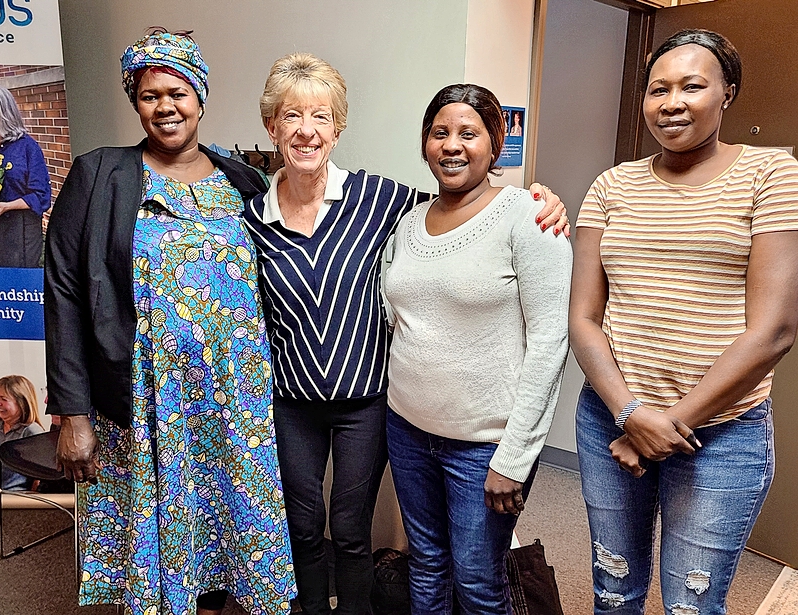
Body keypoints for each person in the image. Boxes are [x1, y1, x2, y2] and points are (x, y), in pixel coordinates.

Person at [243, 53, 569, 615]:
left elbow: (545, 332)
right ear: (271, 126)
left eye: (320, 116)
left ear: (338, 128)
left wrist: (542, 197)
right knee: (360, 546)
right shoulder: (253, 214)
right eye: (290, 116)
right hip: (336, 408)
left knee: (439, 564)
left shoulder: (383, 200)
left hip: (389, 408)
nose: (305, 130)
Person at [44, 29, 295, 615]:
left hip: (236, 403)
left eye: (178, 92)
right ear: (136, 103)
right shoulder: (99, 175)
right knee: (159, 547)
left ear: (200, 99)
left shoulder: (245, 182)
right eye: (151, 94)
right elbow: (65, 292)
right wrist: (73, 413)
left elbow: (321, 219)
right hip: (147, 401)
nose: (166, 107)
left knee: (227, 540)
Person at [570, 29, 798, 615]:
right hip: (609, 423)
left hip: (720, 434)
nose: (671, 103)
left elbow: (773, 329)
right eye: (657, 90)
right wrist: (628, 415)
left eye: (692, 86)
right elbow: (585, 318)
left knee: (690, 605)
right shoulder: (611, 185)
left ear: (727, 93)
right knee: (612, 591)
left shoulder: (772, 175)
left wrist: (663, 429)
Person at [383, 84, 571, 614]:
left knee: (477, 580)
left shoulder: (530, 218)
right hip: (408, 429)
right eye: (440, 133)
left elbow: (550, 343)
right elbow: (400, 317)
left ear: (495, 142)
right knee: (426, 564)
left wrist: (516, 457)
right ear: (424, 143)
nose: (452, 145)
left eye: (469, 133)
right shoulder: (407, 223)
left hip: (484, 446)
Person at [0, 85, 52, 268]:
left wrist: (6, 206)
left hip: (20, 233)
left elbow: (41, 196)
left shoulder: (27, 147)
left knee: (14, 287)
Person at [0, 375, 44, 491]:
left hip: (17, 498)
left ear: (21, 402)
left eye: (4, 399)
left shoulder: (32, 432)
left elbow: (41, 476)